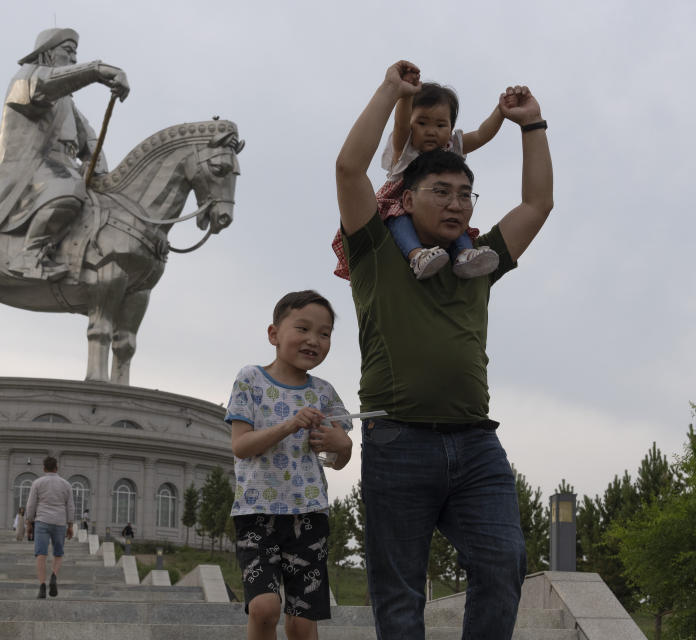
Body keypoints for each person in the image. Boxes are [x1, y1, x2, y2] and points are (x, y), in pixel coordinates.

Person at [334, 59, 553, 639]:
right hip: (399, 441)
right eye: (441, 191)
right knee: (399, 589)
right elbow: (349, 168)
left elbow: (536, 206)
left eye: (466, 194)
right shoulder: (376, 253)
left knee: (503, 565)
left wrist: (532, 126)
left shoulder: (477, 263)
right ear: (407, 197)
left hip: (477, 445)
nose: (457, 204)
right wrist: (390, 92)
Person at [0, 27, 130, 280]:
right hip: (34, 167)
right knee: (69, 191)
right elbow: (49, 84)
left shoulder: (68, 104)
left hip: (65, 168)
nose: (73, 59)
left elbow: (90, 141)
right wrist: (97, 70)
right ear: (47, 53)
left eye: (76, 54)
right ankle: (30, 256)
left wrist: (100, 172)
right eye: (68, 51)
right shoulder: (27, 79)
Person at [225, 290, 352, 640]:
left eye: (324, 334)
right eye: (303, 329)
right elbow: (240, 446)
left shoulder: (325, 393)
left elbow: (338, 458)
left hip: (309, 514)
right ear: (274, 334)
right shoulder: (250, 379)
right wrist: (289, 425)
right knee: (265, 607)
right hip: (256, 512)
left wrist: (343, 446)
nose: (314, 340)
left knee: (301, 622)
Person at [333, 80, 505, 281]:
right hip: (399, 205)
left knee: (455, 219)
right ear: (411, 125)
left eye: (441, 125)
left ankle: (464, 254)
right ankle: (417, 255)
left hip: (436, 209)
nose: (431, 131)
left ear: (451, 128)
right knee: (399, 219)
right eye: (422, 123)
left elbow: (482, 134)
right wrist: (405, 95)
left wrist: (500, 112)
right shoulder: (405, 148)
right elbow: (400, 123)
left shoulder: (451, 146)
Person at [25, 456, 75, 599]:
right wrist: (70, 525)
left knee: (41, 554)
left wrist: (29, 523)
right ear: (56, 468)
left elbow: (31, 505)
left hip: (42, 521)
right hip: (59, 522)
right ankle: (53, 575)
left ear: (44, 468)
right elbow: (70, 506)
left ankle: (42, 585)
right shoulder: (66, 484)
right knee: (58, 553)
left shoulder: (37, 483)